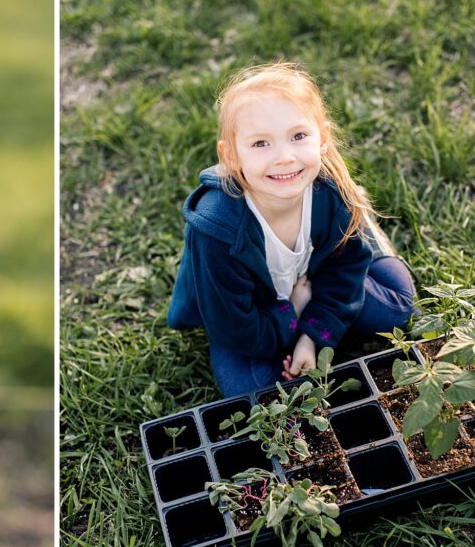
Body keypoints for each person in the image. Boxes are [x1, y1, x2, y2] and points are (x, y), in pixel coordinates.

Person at [167, 62, 414, 398]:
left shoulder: (328, 191)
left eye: (298, 136)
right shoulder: (216, 229)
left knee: (399, 310)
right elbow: (236, 329)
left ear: (322, 139)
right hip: (254, 313)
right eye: (260, 144)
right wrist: (294, 311)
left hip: (315, 277)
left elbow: (344, 273)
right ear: (231, 156)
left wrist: (312, 337)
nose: (285, 157)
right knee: (251, 389)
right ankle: (302, 306)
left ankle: (363, 232)